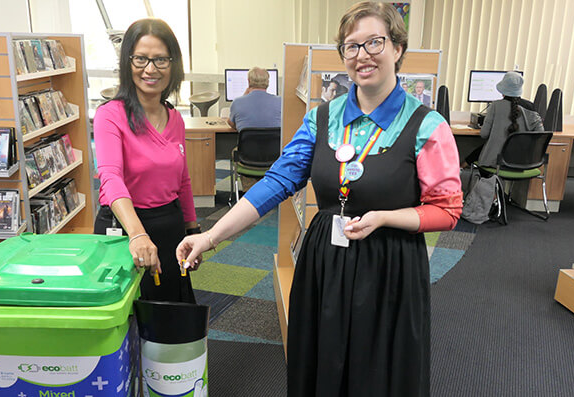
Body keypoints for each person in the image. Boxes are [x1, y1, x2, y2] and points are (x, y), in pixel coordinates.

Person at [177, 2, 462, 395]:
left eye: (374, 42)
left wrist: (385, 218)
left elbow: (447, 209)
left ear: (398, 48)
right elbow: (275, 183)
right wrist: (209, 237)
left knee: (376, 372)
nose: (362, 55)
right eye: (351, 46)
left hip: (388, 265)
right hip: (325, 263)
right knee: (321, 366)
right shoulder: (322, 118)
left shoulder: (427, 125)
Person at [93, 18, 200, 303]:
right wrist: (137, 235)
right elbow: (110, 177)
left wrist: (192, 230)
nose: (150, 69)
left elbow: (183, 179)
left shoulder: (174, 117)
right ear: (128, 63)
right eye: (140, 59)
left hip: (169, 227)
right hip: (124, 228)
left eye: (160, 60)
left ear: (173, 64)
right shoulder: (110, 115)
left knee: (168, 313)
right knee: (126, 315)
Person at [464, 71, 541, 167]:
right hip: (522, 161)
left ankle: (459, 169)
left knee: (481, 150)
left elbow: (484, 134)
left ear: (502, 90)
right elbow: (539, 135)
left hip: (496, 162)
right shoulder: (531, 107)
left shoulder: (495, 106)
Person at [227, 67, 281, 131]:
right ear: (268, 82)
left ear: (249, 81)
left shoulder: (237, 102)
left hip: (247, 141)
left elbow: (232, 124)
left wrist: (244, 96)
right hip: (273, 141)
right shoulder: (280, 101)